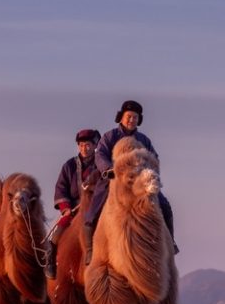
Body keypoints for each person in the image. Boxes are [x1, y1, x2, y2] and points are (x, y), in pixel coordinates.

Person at [82, 100, 178, 265]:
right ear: (121, 117)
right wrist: (110, 169)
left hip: (139, 182)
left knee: (165, 205)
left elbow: (154, 158)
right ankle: (91, 251)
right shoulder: (109, 136)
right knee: (92, 213)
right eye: (128, 116)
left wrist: (149, 171)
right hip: (114, 180)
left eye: (135, 117)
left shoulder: (144, 140)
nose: (131, 120)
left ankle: (170, 243)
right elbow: (100, 155)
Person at [45, 128, 101, 279]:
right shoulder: (69, 166)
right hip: (74, 208)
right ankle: (51, 262)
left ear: (95, 146)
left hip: (97, 207)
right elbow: (61, 188)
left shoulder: (101, 164)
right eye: (81, 145)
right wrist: (65, 208)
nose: (84, 148)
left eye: (88, 145)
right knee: (57, 233)